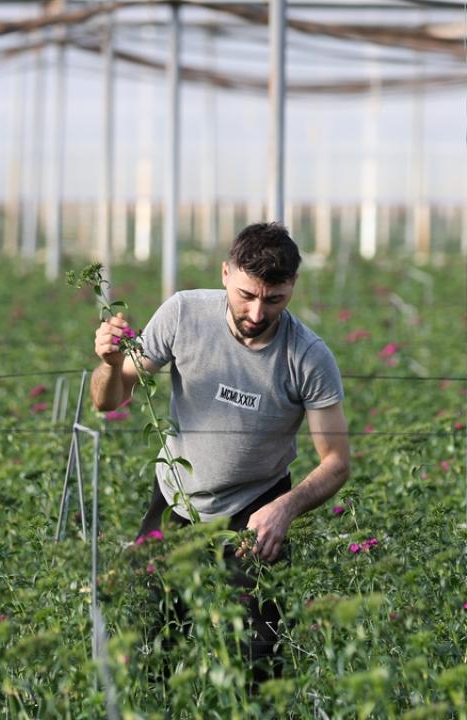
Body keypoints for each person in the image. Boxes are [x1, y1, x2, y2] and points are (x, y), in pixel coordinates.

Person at [90, 222, 351, 683]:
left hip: (256, 510)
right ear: (226, 273)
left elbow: (336, 462)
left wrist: (284, 509)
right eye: (246, 295)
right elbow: (108, 400)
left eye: (274, 299)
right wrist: (111, 364)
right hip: (177, 498)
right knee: (150, 647)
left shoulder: (308, 356)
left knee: (259, 661)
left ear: (292, 286)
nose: (257, 312)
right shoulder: (184, 314)